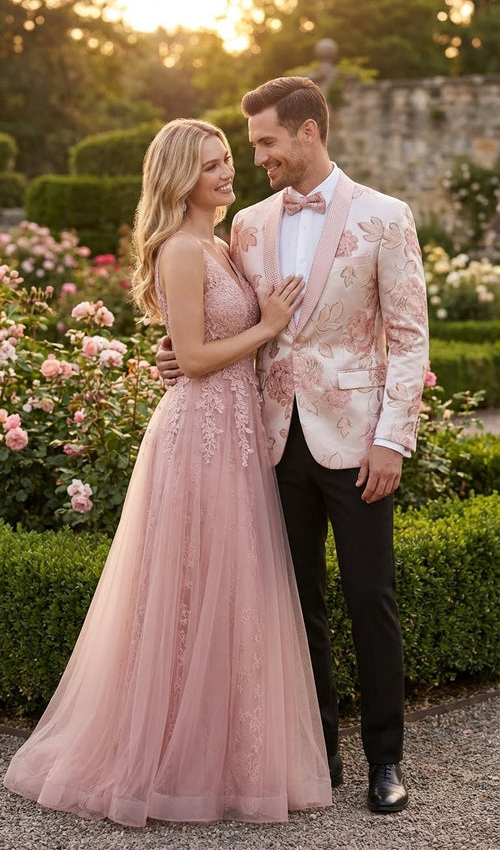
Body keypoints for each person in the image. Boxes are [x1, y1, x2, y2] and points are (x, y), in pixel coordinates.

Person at [3, 118, 333, 827]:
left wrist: (246, 337)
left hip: (237, 434)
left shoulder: (221, 243)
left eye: (226, 160)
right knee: (184, 592)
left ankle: (221, 756)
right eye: (212, 164)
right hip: (196, 438)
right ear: (181, 176)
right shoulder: (181, 250)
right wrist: (267, 326)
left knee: (229, 589)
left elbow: (196, 347)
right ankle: (160, 760)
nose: (227, 173)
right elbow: (195, 355)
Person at [156, 78, 430, 814]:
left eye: (266, 143)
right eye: (251, 148)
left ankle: (385, 762)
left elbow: (408, 339)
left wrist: (391, 440)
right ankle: (318, 758)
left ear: (307, 133)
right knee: (293, 602)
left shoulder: (384, 216)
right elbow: (224, 316)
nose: (257, 158)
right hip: (268, 442)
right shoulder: (243, 225)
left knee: (371, 597)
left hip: (358, 444)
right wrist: (178, 352)